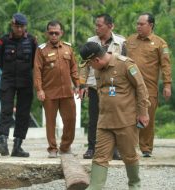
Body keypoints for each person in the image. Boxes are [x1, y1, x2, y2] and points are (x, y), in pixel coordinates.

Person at [80, 42, 150, 190]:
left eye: (90, 64)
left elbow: (141, 88)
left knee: (129, 155)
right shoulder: (99, 70)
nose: (90, 67)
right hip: (105, 122)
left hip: (126, 121)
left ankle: (135, 185)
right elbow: (102, 93)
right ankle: (95, 187)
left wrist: (143, 113)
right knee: (100, 157)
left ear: (96, 60)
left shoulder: (125, 64)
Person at [79, 13, 126, 160]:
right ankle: (92, 148)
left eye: (100, 25)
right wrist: (82, 85)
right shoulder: (90, 41)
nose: (96, 28)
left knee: (114, 117)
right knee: (94, 119)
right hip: (95, 86)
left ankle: (115, 149)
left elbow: (125, 63)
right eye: (96, 25)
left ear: (110, 26)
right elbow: (84, 66)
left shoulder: (121, 42)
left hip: (113, 86)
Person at [126, 13, 172, 158]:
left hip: (149, 87)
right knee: (127, 116)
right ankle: (129, 147)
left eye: (141, 24)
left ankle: (146, 148)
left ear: (150, 25)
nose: (138, 26)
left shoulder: (160, 43)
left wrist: (167, 85)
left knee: (147, 117)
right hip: (129, 86)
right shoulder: (130, 40)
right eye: (137, 24)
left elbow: (166, 65)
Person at [34, 20, 80, 158]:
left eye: (56, 33)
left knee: (71, 119)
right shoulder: (41, 50)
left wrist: (78, 84)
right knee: (50, 122)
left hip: (67, 91)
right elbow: (37, 71)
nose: (54, 35)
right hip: (49, 93)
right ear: (47, 33)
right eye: (51, 33)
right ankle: (52, 148)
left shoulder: (68, 48)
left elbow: (74, 68)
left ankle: (65, 147)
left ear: (61, 33)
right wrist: (39, 89)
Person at [0, 13, 37, 157]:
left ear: (25, 27)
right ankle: (3, 143)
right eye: (16, 26)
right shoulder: (4, 41)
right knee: (6, 110)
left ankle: (17, 147)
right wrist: (9, 72)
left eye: (21, 27)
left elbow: (35, 62)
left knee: (23, 113)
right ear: (12, 26)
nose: (19, 29)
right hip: (8, 80)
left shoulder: (32, 41)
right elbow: (0, 61)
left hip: (26, 80)